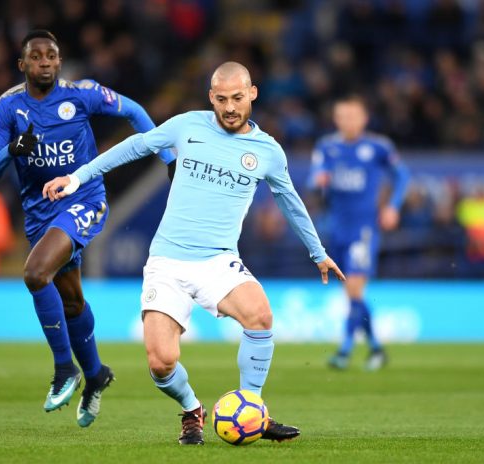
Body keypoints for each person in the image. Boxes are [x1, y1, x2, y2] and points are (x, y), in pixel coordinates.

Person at [43, 62, 345, 445]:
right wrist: (77, 177)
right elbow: (135, 146)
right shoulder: (187, 125)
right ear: (211, 98)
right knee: (160, 362)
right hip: (167, 262)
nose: (230, 107)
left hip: (219, 260)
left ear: (252, 94)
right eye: (222, 99)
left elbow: (290, 201)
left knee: (260, 315)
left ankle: (252, 409)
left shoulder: (268, 151)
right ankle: (191, 409)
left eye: (238, 98)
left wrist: (318, 252)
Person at [0, 29, 175, 427]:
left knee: (35, 273)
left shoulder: (82, 94)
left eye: (51, 56)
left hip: (85, 200)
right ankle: (96, 373)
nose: (45, 62)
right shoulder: (7, 109)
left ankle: (65, 369)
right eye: (36, 57)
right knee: (71, 302)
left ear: (59, 62)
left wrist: (167, 157)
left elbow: (134, 110)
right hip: (39, 215)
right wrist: (12, 150)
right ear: (22, 64)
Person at [308, 95, 409, 371]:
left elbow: (402, 176)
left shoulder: (378, 147)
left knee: (354, 288)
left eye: (352, 116)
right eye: (342, 116)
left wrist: (393, 206)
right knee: (352, 294)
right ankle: (376, 348)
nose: (347, 121)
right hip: (336, 229)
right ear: (335, 119)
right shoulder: (327, 147)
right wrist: (319, 180)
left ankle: (344, 351)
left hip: (364, 230)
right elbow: (314, 177)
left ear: (364, 118)